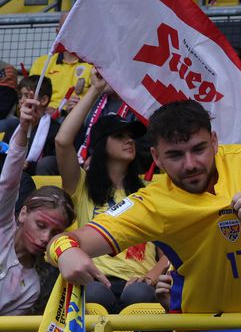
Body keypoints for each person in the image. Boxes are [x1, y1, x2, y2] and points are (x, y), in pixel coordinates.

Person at [49, 99, 241, 314]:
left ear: (214, 142)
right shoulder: (150, 203)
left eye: (198, 149)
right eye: (175, 155)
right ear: (156, 158)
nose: (191, 164)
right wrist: (66, 253)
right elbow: (66, 240)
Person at [53, 74, 164, 312]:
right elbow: (63, 141)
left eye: (131, 137)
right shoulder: (81, 186)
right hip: (95, 280)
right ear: (102, 143)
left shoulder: (150, 191)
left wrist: (152, 276)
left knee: (139, 294)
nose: (129, 141)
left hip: (138, 283)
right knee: (92, 293)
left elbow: (171, 248)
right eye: (120, 136)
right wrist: (95, 90)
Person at [0, 92, 75, 332]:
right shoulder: (2, 228)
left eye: (56, 232)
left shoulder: (43, 281)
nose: (46, 238)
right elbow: (8, 181)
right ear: (21, 214)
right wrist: (24, 129)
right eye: (41, 225)